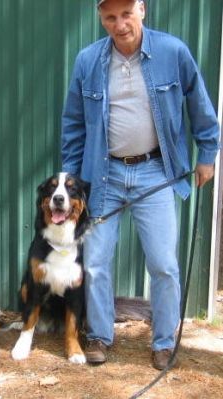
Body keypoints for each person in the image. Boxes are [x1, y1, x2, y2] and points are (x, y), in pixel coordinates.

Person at [61, 0, 220, 370]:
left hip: (156, 172)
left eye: (126, 14)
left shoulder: (172, 52)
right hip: (103, 175)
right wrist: (70, 183)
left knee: (164, 264)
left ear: (142, 10)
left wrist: (208, 153)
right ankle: (99, 335)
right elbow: (73, 124)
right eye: (110, 17)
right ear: (101, 18)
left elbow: (200, 104)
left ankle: (164, 342)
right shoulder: (88, 61)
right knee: (96, 262)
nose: (120, 25)